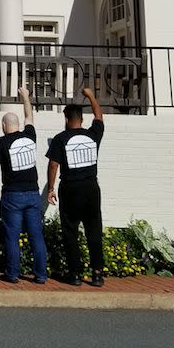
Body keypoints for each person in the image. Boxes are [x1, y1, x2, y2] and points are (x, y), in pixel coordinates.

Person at [0, 86, 48, 284]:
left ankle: (13, 274)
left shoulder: (1, 143)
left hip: (12, 195)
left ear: (4, 125)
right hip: (32, 192)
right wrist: (25, 97)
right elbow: (29, 116)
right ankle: (40, 275)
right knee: (36, 236)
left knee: (12, 237)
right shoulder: (30, 136)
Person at [47, 86, 106, 287]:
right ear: (81, 119)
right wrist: (90, 96)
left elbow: (54, 164)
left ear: (66, 119)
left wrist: (50, 188)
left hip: (70, 188)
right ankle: (97, 274)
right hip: (91, 187)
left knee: (70, 231)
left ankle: (75, 273)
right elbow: (99, 116)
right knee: (94, 230)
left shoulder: (60, 139)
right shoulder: (92, 135)